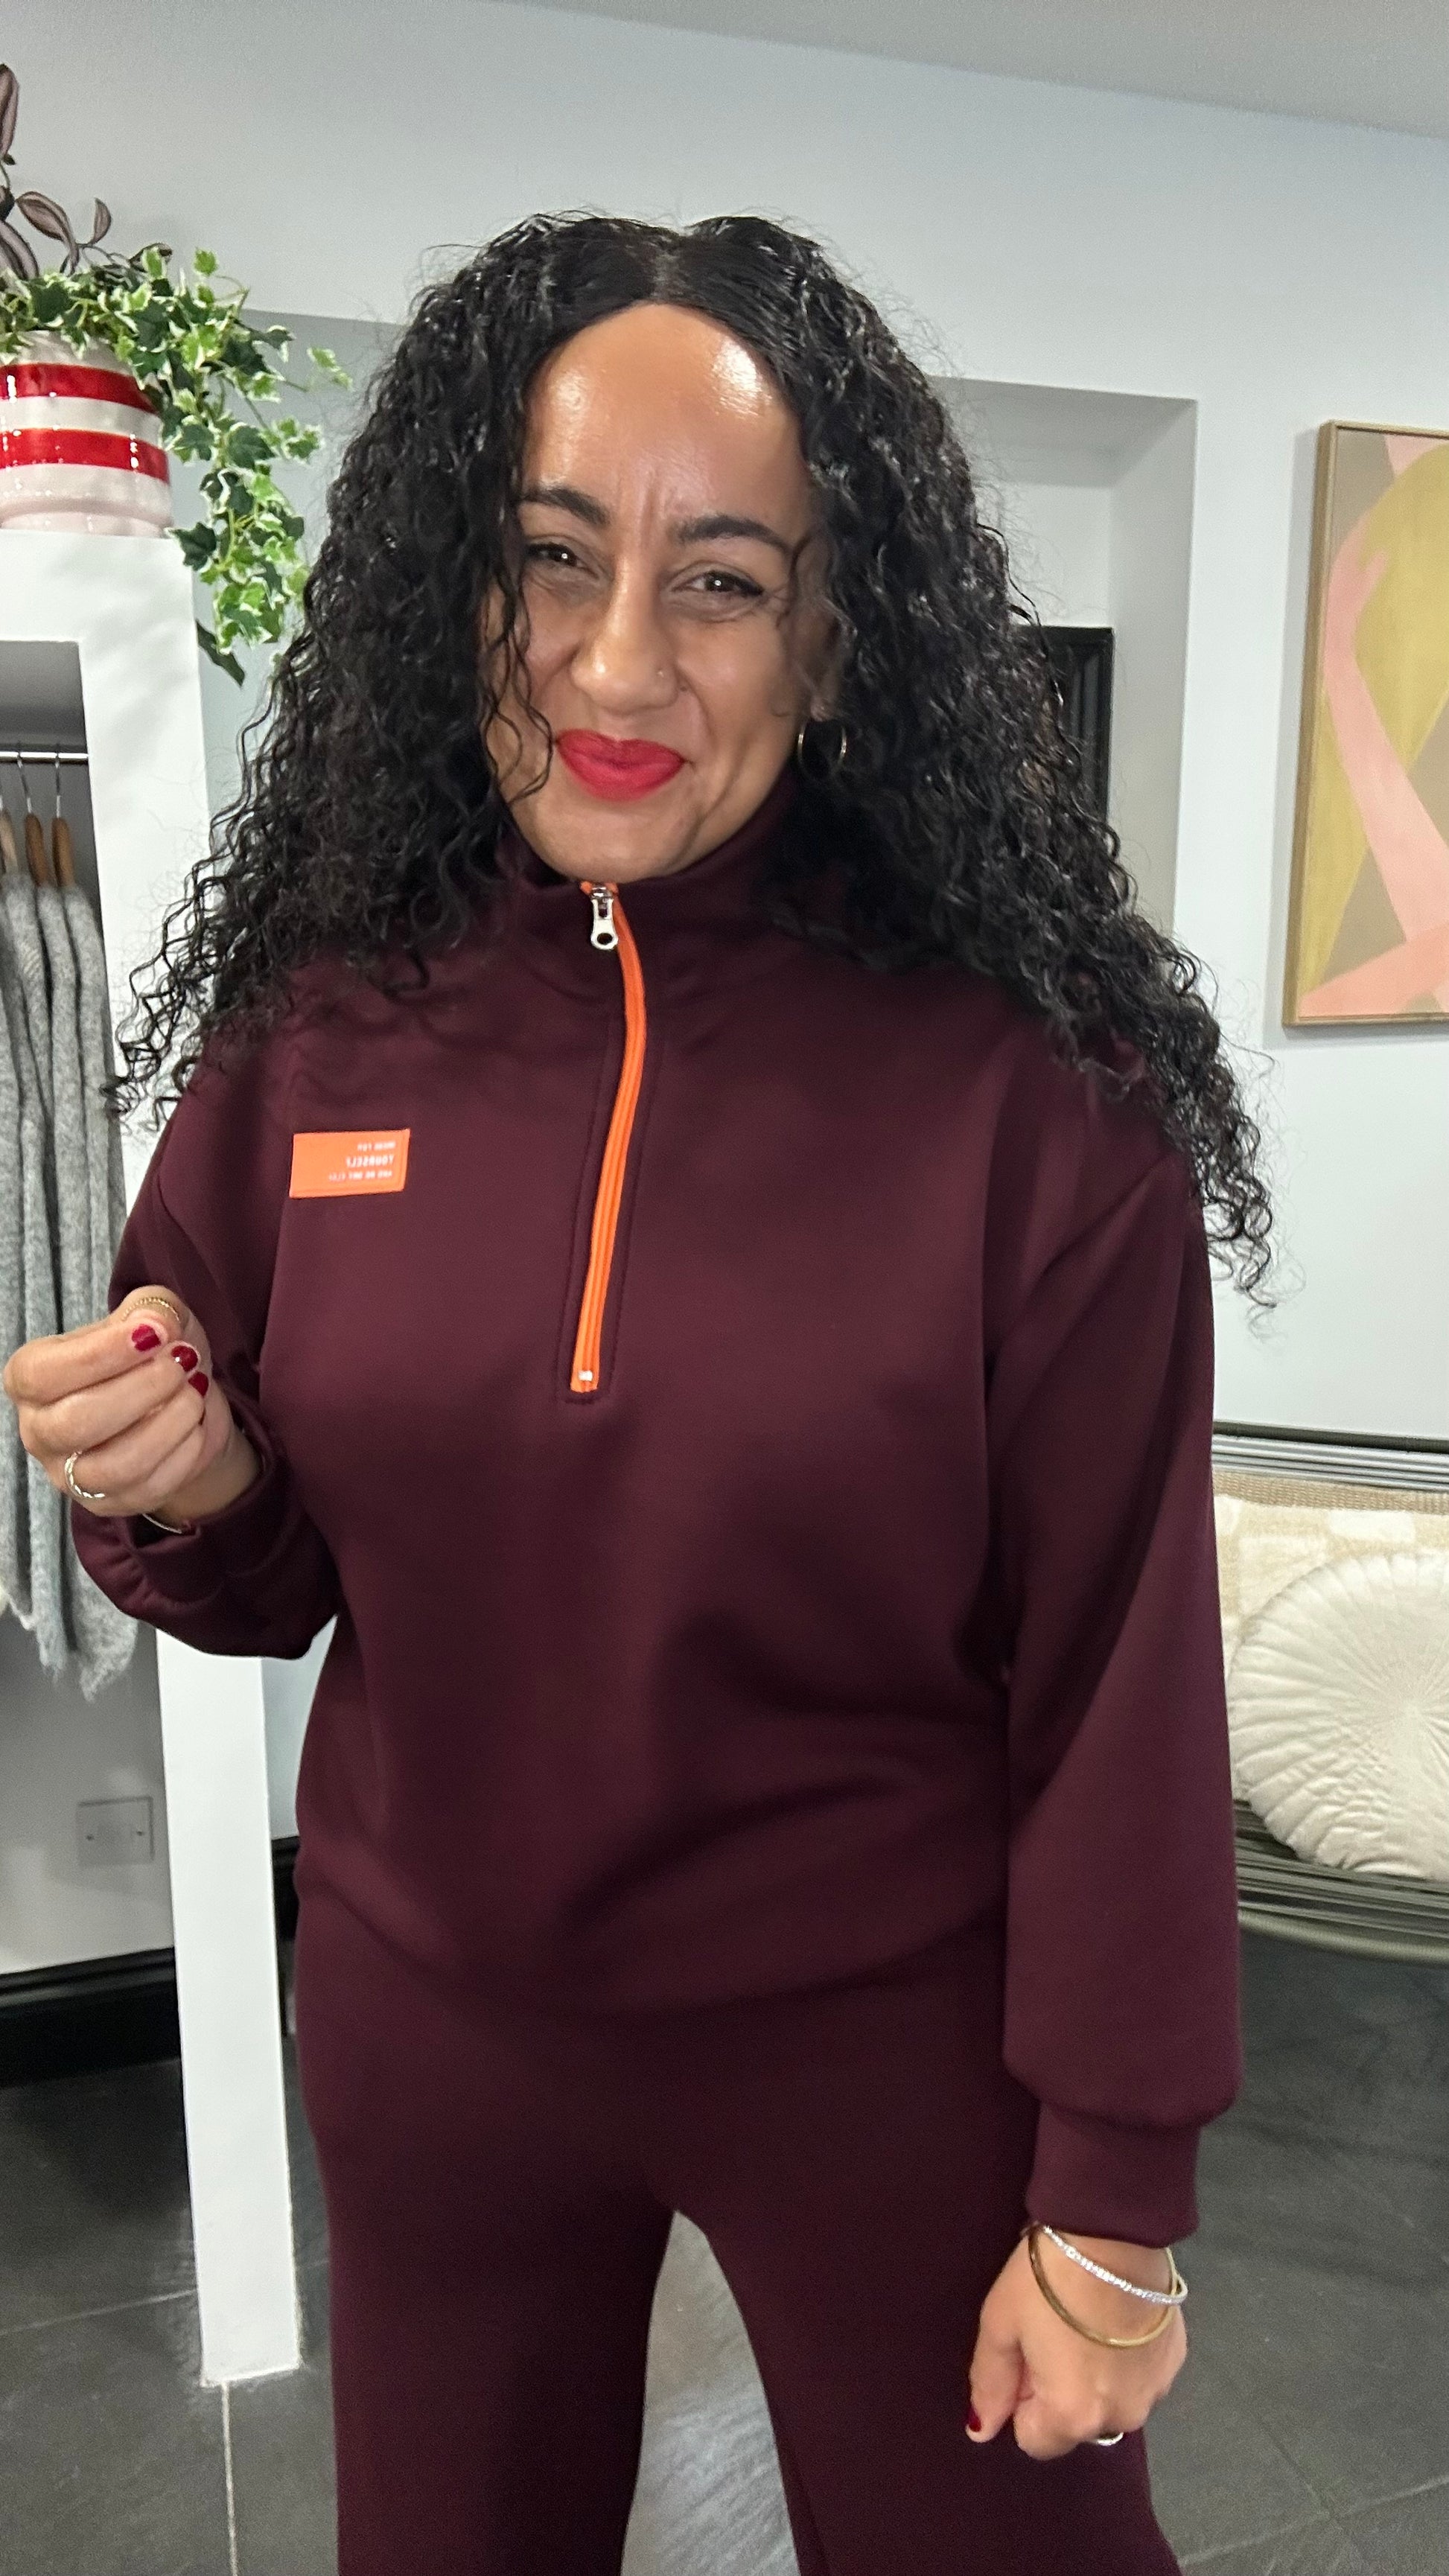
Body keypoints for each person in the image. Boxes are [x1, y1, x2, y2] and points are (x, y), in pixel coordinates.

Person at [4, 213, 1269, 2576]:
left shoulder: (1032, 1094)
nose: (614, 661)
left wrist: (1114, 2194)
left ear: (832, 633)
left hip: (885, 2038)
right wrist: (187, 1476)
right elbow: (264, 1571)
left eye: (719, 583)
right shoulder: (320, 1037)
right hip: (437, 2032)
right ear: (455, 587)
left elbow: (1121, 1674)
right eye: (553, 557)